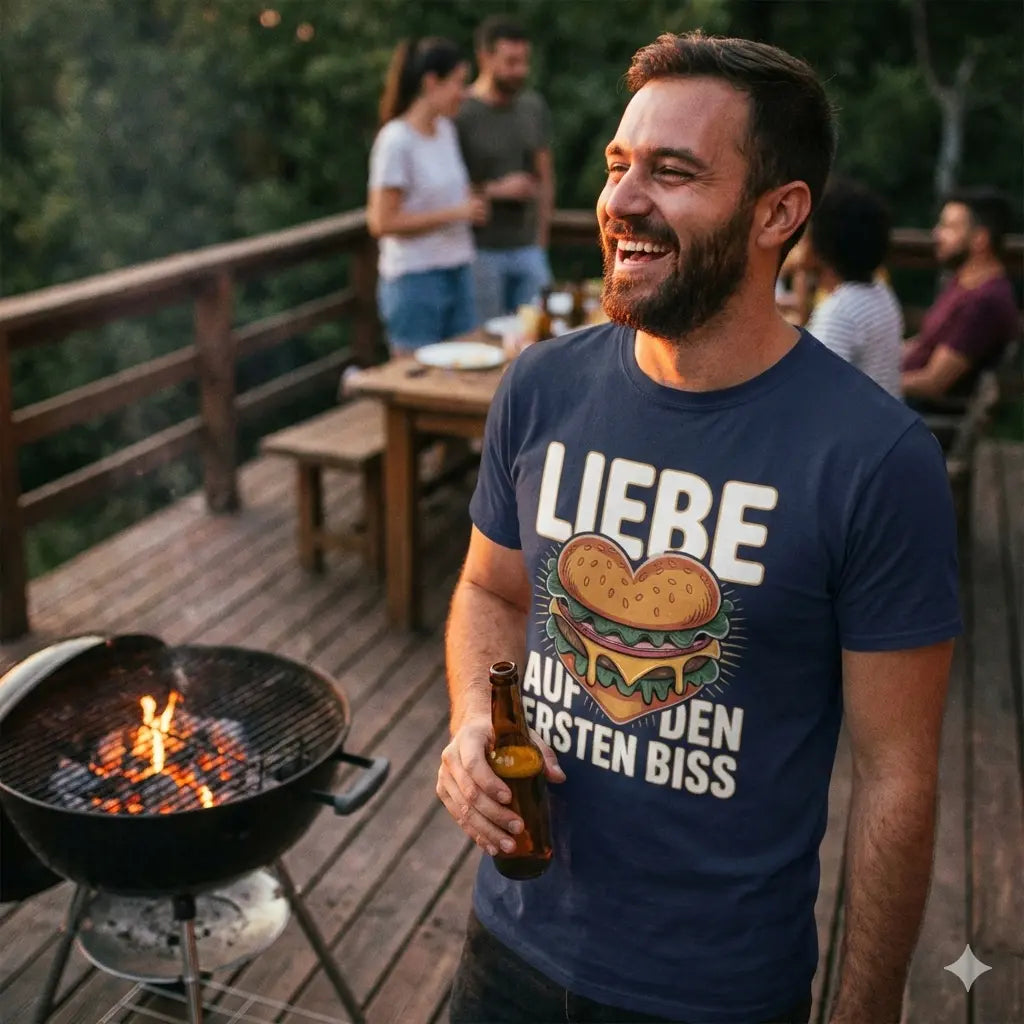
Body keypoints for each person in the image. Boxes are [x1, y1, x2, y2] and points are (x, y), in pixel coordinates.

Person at [438, 30, 961, 1024]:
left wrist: (864, 1010)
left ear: (778, 213)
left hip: (715, 992)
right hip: (506, 942)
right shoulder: (542, 387)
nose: (622, 201)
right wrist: (472, 715)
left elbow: (898, 776)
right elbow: (490, 589)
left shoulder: (875, 459)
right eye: (618, 165)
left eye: (672, 173)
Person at [367, 37, 488, 354]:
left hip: (458, 269)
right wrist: (457, 213)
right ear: (431, 82)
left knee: (467, 373)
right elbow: (381, 221)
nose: (464, 93)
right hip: (415, 280)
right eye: (458, 83)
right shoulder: (396, 140)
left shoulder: (445, 131)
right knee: (416, 379)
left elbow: (443, 194)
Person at [455, 16, 554, 323]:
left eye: (524, 61)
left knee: (539, 335)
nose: (520, 70)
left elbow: (546, 177)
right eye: (511, 62)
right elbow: (442, 187)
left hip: (528, 249)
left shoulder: (532, 107)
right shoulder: (460, 112)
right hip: (479, 251)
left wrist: (541, 240)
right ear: (484, 58)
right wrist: (497, 190)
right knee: (485, 339)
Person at [901, 187, 1019, 405]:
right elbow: (924, 345)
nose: (937, 234)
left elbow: (933, 382)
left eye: (949, 227)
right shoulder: (964, 284)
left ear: (980, 239)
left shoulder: (984, 302)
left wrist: (871, 379)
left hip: (919, 417)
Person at [804, 178, 904, 397]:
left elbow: (814, 396)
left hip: (855, 430)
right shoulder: (881, 293)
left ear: (821, 244)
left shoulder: (839, 313)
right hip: (883, 424)